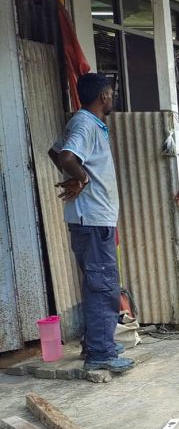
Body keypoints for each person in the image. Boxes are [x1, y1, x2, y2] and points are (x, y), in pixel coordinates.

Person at [48, 73, 134, 373]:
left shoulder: (87, 122)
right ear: (104, 96)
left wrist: (74, 176)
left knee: (100, 284)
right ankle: (101, 353)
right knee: (102, 285)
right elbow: (66, 155)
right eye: (111, 93)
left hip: (95, 218)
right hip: (92, 218)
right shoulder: (85, 123)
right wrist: (81, 178)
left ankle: (98, 343)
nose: (113, 97)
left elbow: (55, 152)